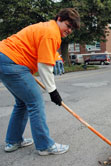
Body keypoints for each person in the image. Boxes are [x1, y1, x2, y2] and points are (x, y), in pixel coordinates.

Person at [0, 8, 80, 155]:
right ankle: (44, 146)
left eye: (72, 28)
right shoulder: (51, 33)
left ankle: (13, 141)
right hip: (12, 62)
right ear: (59, 19)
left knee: (23, 102)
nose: (69, 30)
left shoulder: (48, 28)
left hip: (4, 58)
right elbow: (44, 66)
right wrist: (53, 91)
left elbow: (46, 55)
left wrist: (56, 60)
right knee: (35, 102)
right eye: (68, 26)